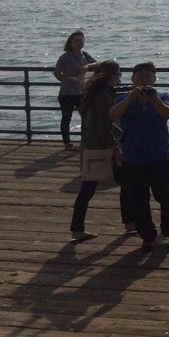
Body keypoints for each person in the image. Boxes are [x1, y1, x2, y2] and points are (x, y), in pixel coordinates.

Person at [112, 62, 169, 253]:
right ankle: (148, 236)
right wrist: (130, 98)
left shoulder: (163, 96)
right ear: (133, 79)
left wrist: (154, 100)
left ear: (154, 78)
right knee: (139, 200)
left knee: (168, 197)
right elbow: (112, 115)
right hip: (134, 159)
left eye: (148, 76)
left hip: (161, 156)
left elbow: (167, 114)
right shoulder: (122, 98)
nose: (144, 80)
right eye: (140, 76)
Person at [69, 61, 128, 242]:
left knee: (87, 189)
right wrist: (114, 147)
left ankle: (77, 228)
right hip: (102, 149)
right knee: (126, 182)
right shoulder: (104, 97)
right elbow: (104, 126)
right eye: (118, 75)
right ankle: (130, 221)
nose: (119, 78)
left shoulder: (91, 93)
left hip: (90, 147)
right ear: (112, 76)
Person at [53, 30, 94, 150]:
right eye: (75, 40)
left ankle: (84, 141)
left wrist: (87, 68)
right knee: (67, 117)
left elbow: (98, 65)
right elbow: (56, 73)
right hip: (67, 93)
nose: (78, 42)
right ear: (70, 43)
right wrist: (67, 81)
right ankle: (67, 143)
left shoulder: (85, 56)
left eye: (80, 40)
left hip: (81, 92)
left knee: (85, 117)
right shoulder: (66, 56)